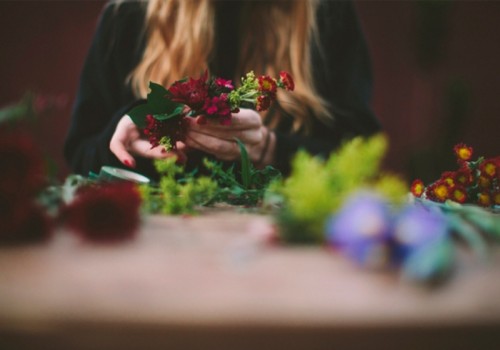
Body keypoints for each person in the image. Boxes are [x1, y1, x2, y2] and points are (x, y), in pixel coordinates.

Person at [64, 0, 381, 180]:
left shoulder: (325, 16)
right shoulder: (129, 16)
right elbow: (81, 156)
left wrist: (271, 150)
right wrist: (132, 131)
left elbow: (360, 157)